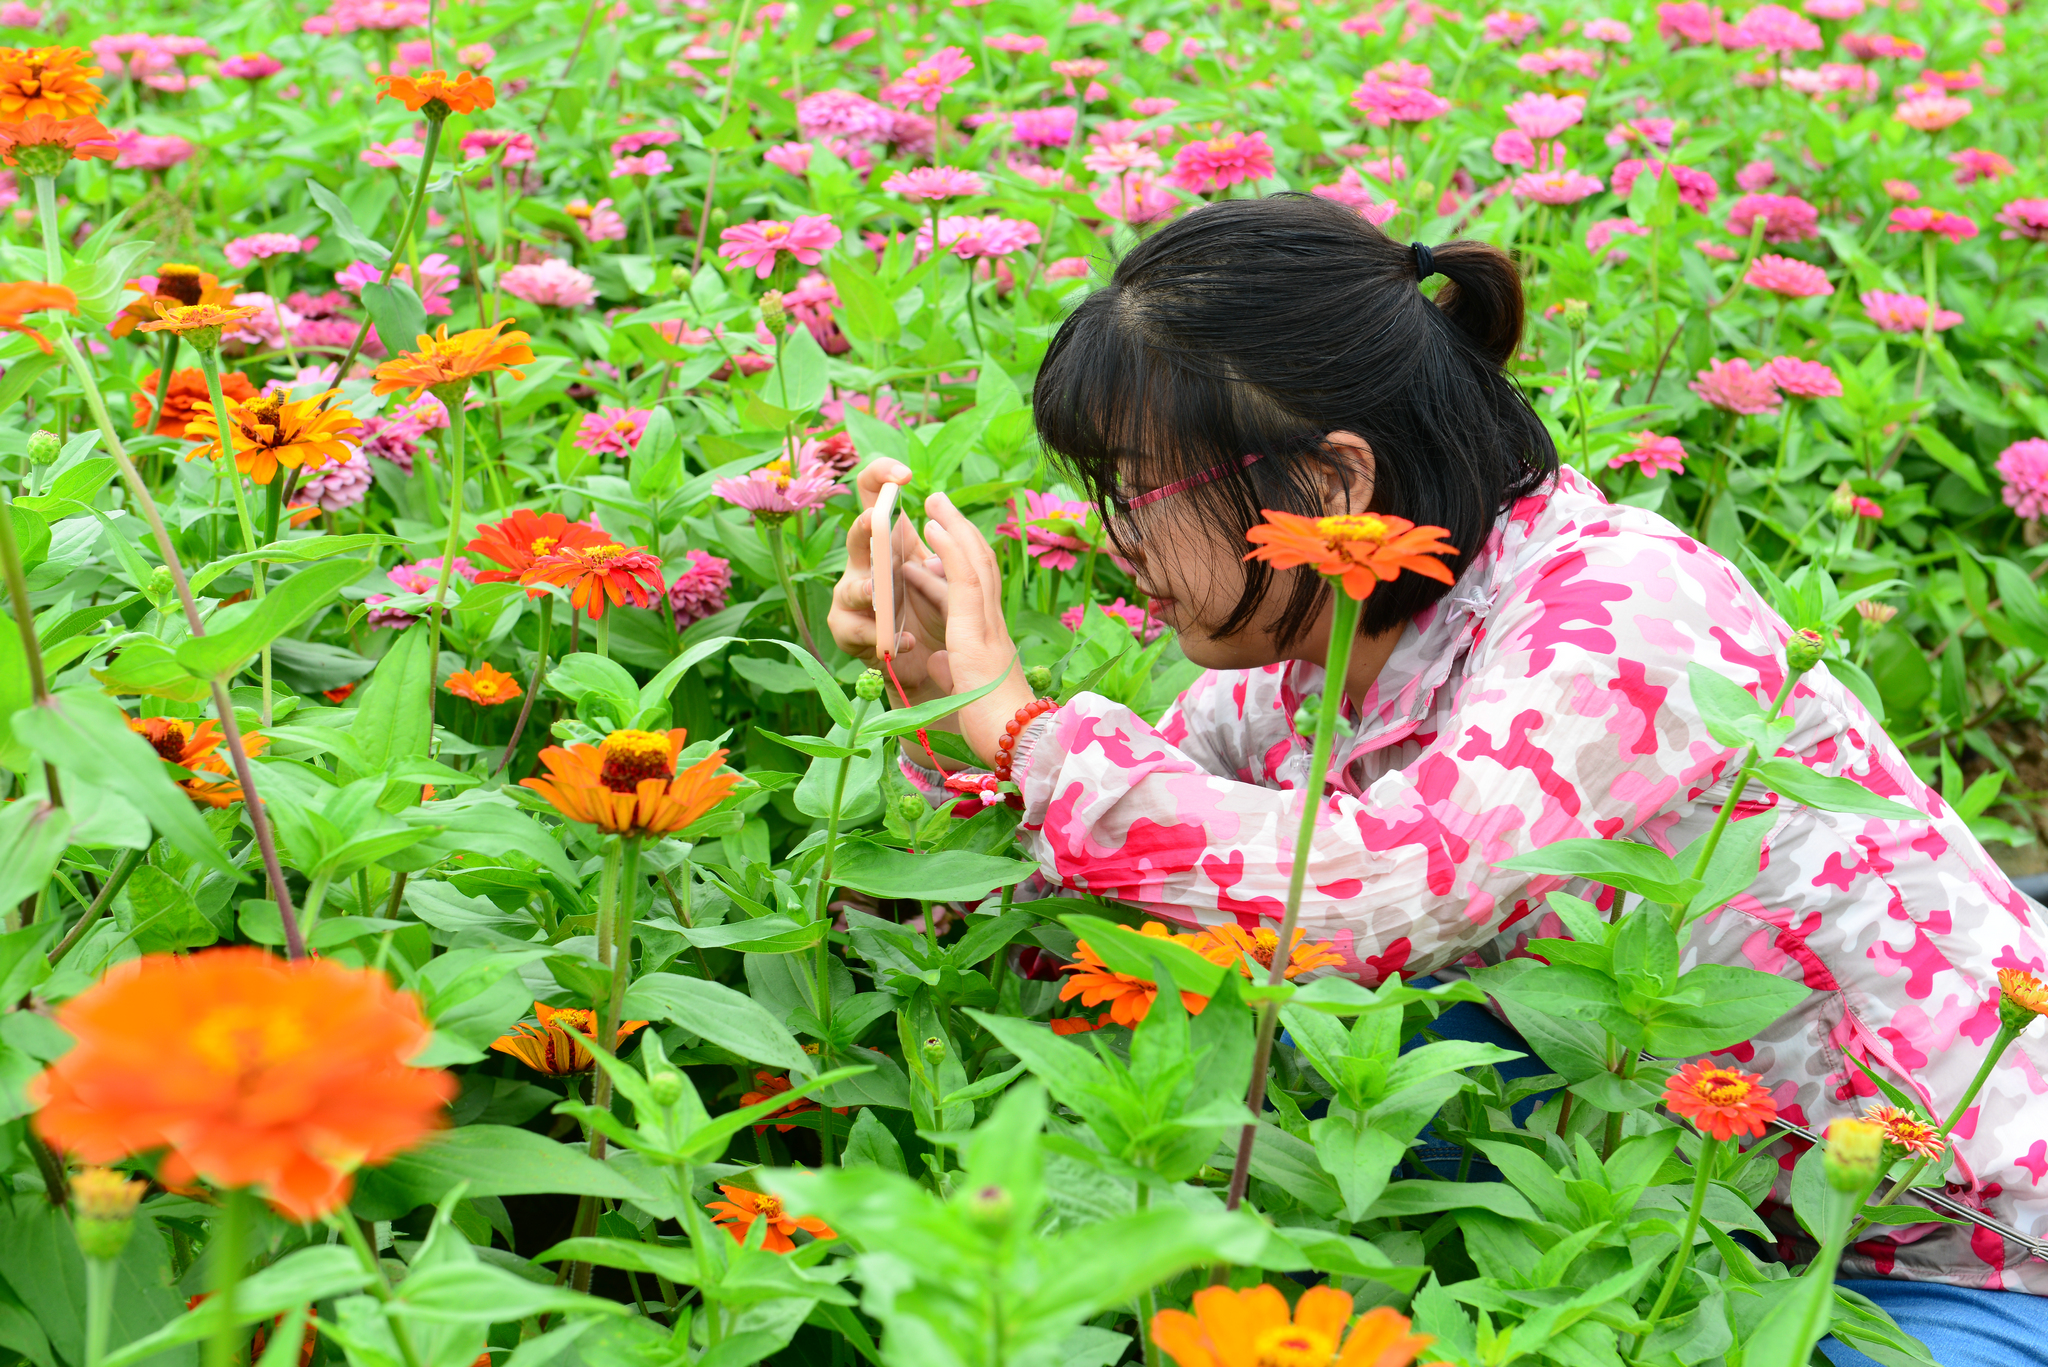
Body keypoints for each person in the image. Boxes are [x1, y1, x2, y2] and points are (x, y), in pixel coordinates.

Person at [825, 194, 2048, 1359]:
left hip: (1945, 1245)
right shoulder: (1309, 659)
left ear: (1332, 482)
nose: (1116, 540)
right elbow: (1096, 897)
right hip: (1686, 1209)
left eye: (1142, 492)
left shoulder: (1615, 607)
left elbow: (1385, 895)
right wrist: (944, 707)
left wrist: (1022, 723)